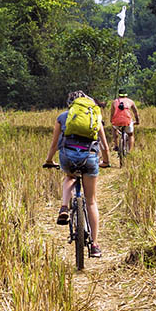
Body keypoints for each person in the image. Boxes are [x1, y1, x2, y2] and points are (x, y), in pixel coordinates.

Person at [43, 90, 110, 257]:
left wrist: (49, 160)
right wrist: (106, 162)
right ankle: (94, 245)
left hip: (68, 156)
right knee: (91, 201)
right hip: (90, 157)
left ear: (70, 103)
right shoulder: (95, 116)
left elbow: (54, 145)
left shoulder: (63, 117)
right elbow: (105, 146)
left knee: (69, 177)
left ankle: (64, 207)